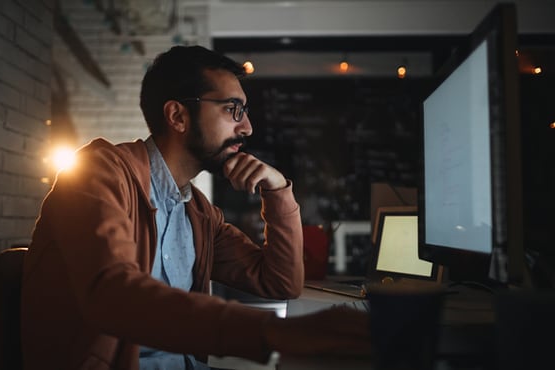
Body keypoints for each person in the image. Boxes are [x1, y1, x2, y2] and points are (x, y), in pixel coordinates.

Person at [21, 45, 370, 370]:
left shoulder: (199, 214)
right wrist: (271, 332)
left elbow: (280, 283)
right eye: (233, 109)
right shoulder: (98, 173)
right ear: (177, 116)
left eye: (244, 112)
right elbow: (113, 293)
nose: (247, 127)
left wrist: (278, 191)